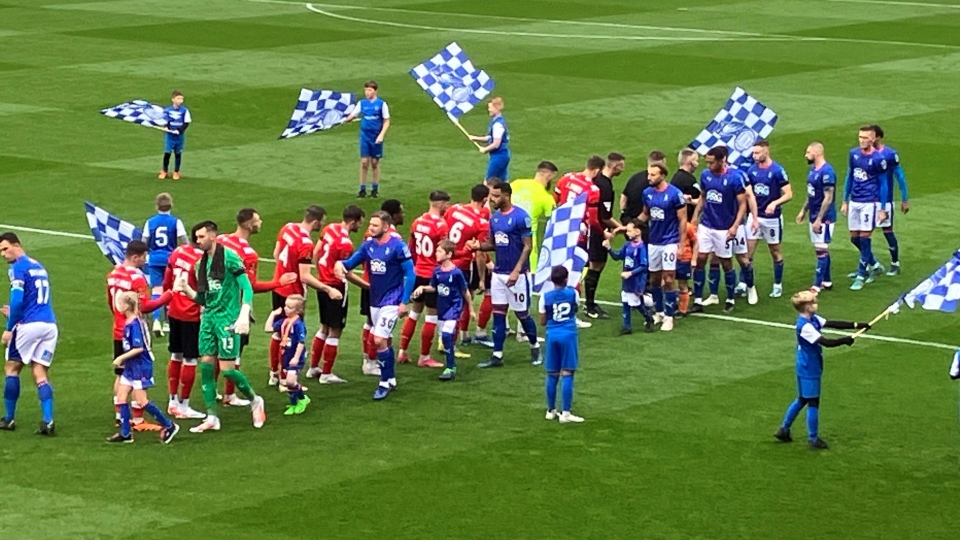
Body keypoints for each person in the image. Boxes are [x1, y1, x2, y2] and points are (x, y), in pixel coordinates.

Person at [175, 221, 265, 433]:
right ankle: (212, 416)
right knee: (205, 365)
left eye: (201, 237)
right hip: (208, 319)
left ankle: (255, 400)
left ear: (213, 236)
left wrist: (244, 313)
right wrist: (187, 290)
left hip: (227, 319)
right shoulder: (201, 264)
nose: (198, 241)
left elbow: (247, 287)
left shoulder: (231, 258)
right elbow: (205, 299)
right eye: (196, 238)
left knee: (227, 371)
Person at [774, 290, 870, 450]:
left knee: (803, 399)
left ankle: (784, 429)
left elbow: (832, 323)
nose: (816, 304)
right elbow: (826, 342)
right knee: (812, 401)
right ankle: (813, 439)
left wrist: (857, 325)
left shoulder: (812, 319)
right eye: (813, 303)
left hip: (806, 364)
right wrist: (845, 340)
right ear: (807, 307)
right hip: (809, 366)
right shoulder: (805, 327)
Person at [335, 211, 416, 400]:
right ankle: (391, 379)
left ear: (386, 227)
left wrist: (404, 301)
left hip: (392, 299)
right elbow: (350, 263)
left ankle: (383, 382)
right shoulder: (368, 246)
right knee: (385, 340)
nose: (370, 228)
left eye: (375, 225)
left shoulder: (398, 247)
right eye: (370, 225)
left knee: (378, 340)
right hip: (375, 299)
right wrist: (340, 264)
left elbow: (410, 274)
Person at [218, 208, 297, 403]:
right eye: (257, 220)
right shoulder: (248, 254)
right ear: (248, 224)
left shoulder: (221, 240)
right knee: (235, 353)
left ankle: (211, 396)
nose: (260, 222)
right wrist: (279, 282)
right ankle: (230, 395)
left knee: (212, 354)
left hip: (214, 305)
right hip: (235, 308)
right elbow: (251, 286)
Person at [269, 206, 340, 386]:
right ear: (315, 222)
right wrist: (328, 289)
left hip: (278, 286)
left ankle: (274, 373)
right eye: (322, 221)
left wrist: (284, 272)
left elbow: (276, 254)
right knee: (290, 337)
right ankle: (285, 378)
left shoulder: (288, 227)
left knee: (278, 333)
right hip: (293, 294)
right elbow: (305, 276)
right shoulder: (306, 243)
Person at [107, 240, 171, 430]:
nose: (145, 261)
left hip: (118, 329)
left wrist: (119, 319)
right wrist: (168, 296)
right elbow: (145, 306)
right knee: (137, 376)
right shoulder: (137, 278)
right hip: (134, 328)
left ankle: (120, 415)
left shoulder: (113, 273)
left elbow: (110, 301)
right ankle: (138, 419)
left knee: (121, 374)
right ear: (135, 257)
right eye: (143, 257)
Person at [478, 181, 542, 368]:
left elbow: (527, 246)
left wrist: (517, 270)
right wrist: (478, 246)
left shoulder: (521, 217)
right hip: (499, 273)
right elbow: (494, 244)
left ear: (507, 195)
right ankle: (497, 355)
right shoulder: (495, 218)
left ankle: (535, 346)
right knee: (498, 315)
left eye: (496, 196)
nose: (492, 199)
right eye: (491, 196)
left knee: (522, 314)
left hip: (518, 276)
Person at [0, 233, 58, 435]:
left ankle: (8, 419)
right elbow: (35, 299)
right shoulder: (38, 266)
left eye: (5, 248)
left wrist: (9, 328)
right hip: (49, 325)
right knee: (39, 371)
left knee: (12, 368)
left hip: (29, 326)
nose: (3, 254)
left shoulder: (18, 268)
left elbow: (17, 301)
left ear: (17, 245)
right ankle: (48, 421)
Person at [108, 291, 179, 444]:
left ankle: (169, 425)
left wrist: (120, 357)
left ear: (127, 305)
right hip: (131, 366)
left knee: (142, 401)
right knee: (121, 397)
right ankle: (126, 433)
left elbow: (138, 348)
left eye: (120, 302)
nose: (117, 305)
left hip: (141, 366)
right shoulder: (129, 322)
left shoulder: (135, 324)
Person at [309, 205, 366, 383]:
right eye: (359, 223)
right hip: (336, 288)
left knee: (323, 327)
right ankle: (326, 374)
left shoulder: (329, 228)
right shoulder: (346, 244)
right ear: (353, 221)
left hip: (322, 284)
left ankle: (313, 367)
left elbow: (316, 252)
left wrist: (321, 273)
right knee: (335, 330)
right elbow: (346, 272)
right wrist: (366, 286)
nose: (360, 227)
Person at [690, 146, 748, 314]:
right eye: (707, 162)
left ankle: (730, 299)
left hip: (724, 227)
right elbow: (703, 196)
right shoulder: (705, 175)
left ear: (722, 160)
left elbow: (742, 204)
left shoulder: (735, 178)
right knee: (700, 259)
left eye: (711, 162)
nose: (708, 166)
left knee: (725, 262)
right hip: (707, 224)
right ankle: (699, 300)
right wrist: (695, 215)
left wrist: (735, 226)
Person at [399, 191, 451, 368]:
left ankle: (402, 351)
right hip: (432, 276)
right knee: (431, 316)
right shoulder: (441, 226)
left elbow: (410, 248)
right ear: (440, 204)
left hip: (417, 272)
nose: (448, 208)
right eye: (446, 204)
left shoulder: (417, 222)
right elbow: (443, 252)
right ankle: (424, 357)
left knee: (414, 313)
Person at [510, 161, 559, 340]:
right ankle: (522, 332)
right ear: (549, 175)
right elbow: (555, 220)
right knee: (524, 292)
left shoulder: (516, 184)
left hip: (505, 246)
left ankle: (506, 326)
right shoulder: (546, 197)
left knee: (506, 287)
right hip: (527, 250)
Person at [162, 226, 206, 419]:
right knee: (190, 358)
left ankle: (172, 400)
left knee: (175, 355)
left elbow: (166, 280)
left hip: (174, 308)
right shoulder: (202, 260)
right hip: (191, 313)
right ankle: (184, 405)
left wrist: (167, 302)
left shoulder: (178, 251)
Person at [413, 240, 473, 381]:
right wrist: (422, 288)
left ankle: (451, 367)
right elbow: (434, 287)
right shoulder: (437, 271)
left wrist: (470, 308)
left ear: (449, 254)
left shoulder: (457, 273)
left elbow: (465, 291)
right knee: (445, 339)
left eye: (440, 251)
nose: (436, 253)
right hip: (442, 308)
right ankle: (450, 363)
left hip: (454, 307)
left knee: (446, 335)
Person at [358, 200, 405, 376]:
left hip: (369, 281)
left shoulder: (370, 233)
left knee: (370, 323)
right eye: (401, 211)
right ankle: (373, 361)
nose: (403, 215)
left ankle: (369, 359)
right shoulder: (393, 239)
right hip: (384, 287)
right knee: (380, 326)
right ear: (392, 216)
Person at [554, 156, 605, 319]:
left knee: (559, 269)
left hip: (560, 230)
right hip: (578, 234)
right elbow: (594, 219)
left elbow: (555, 201)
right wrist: (603, 233)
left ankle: (555, 306)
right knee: (574, 272)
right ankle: (571, 315)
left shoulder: (567, 177)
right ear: (597, 170)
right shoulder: (593, 189)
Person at [841, 125, 889, 291]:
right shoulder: (853, 154)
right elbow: (850, 176)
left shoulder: (878, 159)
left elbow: (883, 183)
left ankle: (861, 275)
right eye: (860, 137)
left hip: (870, 202)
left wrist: (882, 208)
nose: (861, 140)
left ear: (873, 139)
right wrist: (845, 200)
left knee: (864, 238)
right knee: (854, 238)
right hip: (855, 200)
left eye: (865, 138)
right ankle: (874, 264)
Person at [743, 139, 792, 299]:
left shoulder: (777, 170)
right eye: (753, 153)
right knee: (747, 252)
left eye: (757, 153)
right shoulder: (752, 171)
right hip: (755, 217)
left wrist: (774, 203)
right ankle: (744, 283)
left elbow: (789, 194)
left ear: (766, 151)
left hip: (772, 219)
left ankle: (777, 284)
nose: (754, 156)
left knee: (775, 251)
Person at [639, 163, 686, 331]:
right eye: (648, 174)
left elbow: (682, 219)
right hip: (654, 242)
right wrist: (632, 225)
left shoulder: (675, 194)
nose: (649, 177)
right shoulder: (647, 193)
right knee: (655, 279)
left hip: (670, 242)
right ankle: (659, 312)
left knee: (669, 279)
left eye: (652, 175)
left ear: (662, 175)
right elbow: (646, 214)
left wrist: (681, 243)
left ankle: (669, 316)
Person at [444, 185, 491, 346]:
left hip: (445, 260)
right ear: (485, 199)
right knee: (462, 301)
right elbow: (479, 252)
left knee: (444, 303)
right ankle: (454, 341)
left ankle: (454, 338)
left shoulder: (453, 209)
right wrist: (482, 278)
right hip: (462, 265)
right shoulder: (480, 222)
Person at [539, 266, 584, 423]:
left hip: (552, 335)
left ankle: (550, 410)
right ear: (566, 279)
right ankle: (566, 413)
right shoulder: (573, 293)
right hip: (568, 334)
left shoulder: (545, 297)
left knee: (552, 374)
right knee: (567, 373)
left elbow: (543, 321)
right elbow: (575, 309)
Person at [583, 152, 625, 320]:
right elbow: (605, 217)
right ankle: (590, 305)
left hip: (587, 228)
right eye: (622, 166)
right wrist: (620, 228)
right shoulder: (605, 187)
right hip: (597, 230)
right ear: (616, 166)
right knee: (596, 265)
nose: (623, 169)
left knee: (594, 265)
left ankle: (589, 303)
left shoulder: (595, 181)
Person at [142, 192, 187, 337]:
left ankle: (156, 320)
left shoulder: (150, 222)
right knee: (170, 289)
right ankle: (168, 322)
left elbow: (144, 242)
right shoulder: (176, 222)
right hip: (171, 260)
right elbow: (184, 241)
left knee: (156, 290)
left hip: (154, 260)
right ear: (171, 205)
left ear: (157, 206)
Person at [795, 142, 837, 294]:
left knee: (821, 249)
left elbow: (828, 198)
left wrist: (819, 219)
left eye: (808, 152)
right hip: (813, 215)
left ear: (817, 153)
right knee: (821, 248)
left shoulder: (827, 172)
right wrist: (803, 210)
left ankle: (817, 285)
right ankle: (827, 280)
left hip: (824, 218)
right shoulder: (813, 171)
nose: (806, 155)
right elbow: (811, 194)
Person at [604, 220, 654, 335]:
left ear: (638, 231)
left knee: (636, 303)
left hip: (636, 280)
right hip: (627, 280)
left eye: (629, 231)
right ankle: (627, 326)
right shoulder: (627, 245)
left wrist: (630, 273)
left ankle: (648, 318)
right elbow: (617, 256)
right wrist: (609, 248)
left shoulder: (641, 248)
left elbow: (643, 265)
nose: (627, 233)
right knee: (625, 301)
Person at [872, 125, 909, 276]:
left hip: (885, 200)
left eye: (872, 136)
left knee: (887, 231)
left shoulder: (890, 154)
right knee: (861, 236)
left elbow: (900, 177)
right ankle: (870, 264)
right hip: (866, 199)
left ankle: (895, 263)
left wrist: (904, 198)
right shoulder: (862, 154)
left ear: (879, 137)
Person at [265, 295, 310, 415]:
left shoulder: (298, 324)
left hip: (296, 357)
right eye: (285, 305)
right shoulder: (283, 322)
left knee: (290, 381)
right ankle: (294, 404)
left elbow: (301, 342)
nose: (285, 309)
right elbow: (268, 328)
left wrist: (296, 358)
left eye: (289, 307)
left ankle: (302, 399)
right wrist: (273, 314)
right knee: (287, 383)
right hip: (285, 356)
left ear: (298, 311)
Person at [346, 80, 390, 198]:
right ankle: (362, 188)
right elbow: (353, 115)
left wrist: (381, 135)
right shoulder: (362, 103)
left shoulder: (381, 104)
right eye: (366, 90)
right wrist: (345, 119)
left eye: (370, 90)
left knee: (375, 163)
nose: (367, 92)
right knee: (364, 162)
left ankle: (375, 188)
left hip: (376, 136)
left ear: (375, 91)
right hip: (365, 135)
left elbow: (386, 121)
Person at [621, 150, 667, 229]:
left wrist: (624, 212)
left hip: (628, 220)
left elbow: (623, 198)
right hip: (641, 225)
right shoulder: (654, 185)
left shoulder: (635, 177)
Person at [470, 97, 510, 182]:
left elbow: (496, 144)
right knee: (502, 181)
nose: (489, 110)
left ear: (497, 108)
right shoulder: (497, 121)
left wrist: (485, 149)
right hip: (503, 155)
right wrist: (475, 138)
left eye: (490, 107)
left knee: (488, 181)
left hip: (498, 156)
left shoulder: (497, 124)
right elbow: (490, 137)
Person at [158, 90, 191, 180]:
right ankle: (164, 171)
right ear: (173, 99)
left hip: (179, 136)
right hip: (170, 136)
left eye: (182, 99)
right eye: (178, 98)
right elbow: (164, 121)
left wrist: (179, 131)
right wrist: (165, 127)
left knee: (178, 153)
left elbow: (186, 123)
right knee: (167, 153)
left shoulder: (184, 110)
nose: (180, 100)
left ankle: (176, 172)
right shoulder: (167, 110)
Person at [671, 149, 701, 220]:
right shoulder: (690, 180)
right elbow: (701, 200)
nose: (697, 164)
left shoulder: (675, 177)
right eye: (696, 161)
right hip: (686, 221)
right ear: (690, 162)